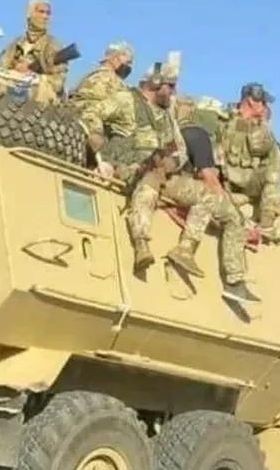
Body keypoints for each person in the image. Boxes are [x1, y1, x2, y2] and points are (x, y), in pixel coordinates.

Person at [82, 61, 261, 303]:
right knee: (147, 187)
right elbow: (91, 112)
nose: (174, 92)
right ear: (157, 84)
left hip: (163, 174)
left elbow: (180, 149)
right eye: (171, 86)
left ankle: (185, 250)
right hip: (128, 169)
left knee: (210, 196)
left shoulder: (166, 115)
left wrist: (170, 163)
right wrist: (97, 145)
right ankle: (141, 243)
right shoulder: (126, 101)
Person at [212, 82, 280, 242]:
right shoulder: (224, 117)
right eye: (263, 102)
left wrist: (263, 124)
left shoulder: (261, 126)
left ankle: (266, 226)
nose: (265, 107)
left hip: (248, 182)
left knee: (274, 171)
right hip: (223, 178)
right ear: (251, 101)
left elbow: (262, 150)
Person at [0, 0, 68, 105]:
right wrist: (15, 71)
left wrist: (31, 75)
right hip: (11, 96)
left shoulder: (54, 46)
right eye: (41, 12)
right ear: (29, 14)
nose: (45, 17)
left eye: (48, 13)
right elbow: (0, 71)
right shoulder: (14, 45)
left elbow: (57, 84)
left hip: (41, 102)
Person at [66, 41, 135, 116]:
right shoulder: (104, 77)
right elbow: (88, 106)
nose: (128, 67)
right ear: (114, 58)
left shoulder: (99, 74)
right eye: (127, 62)